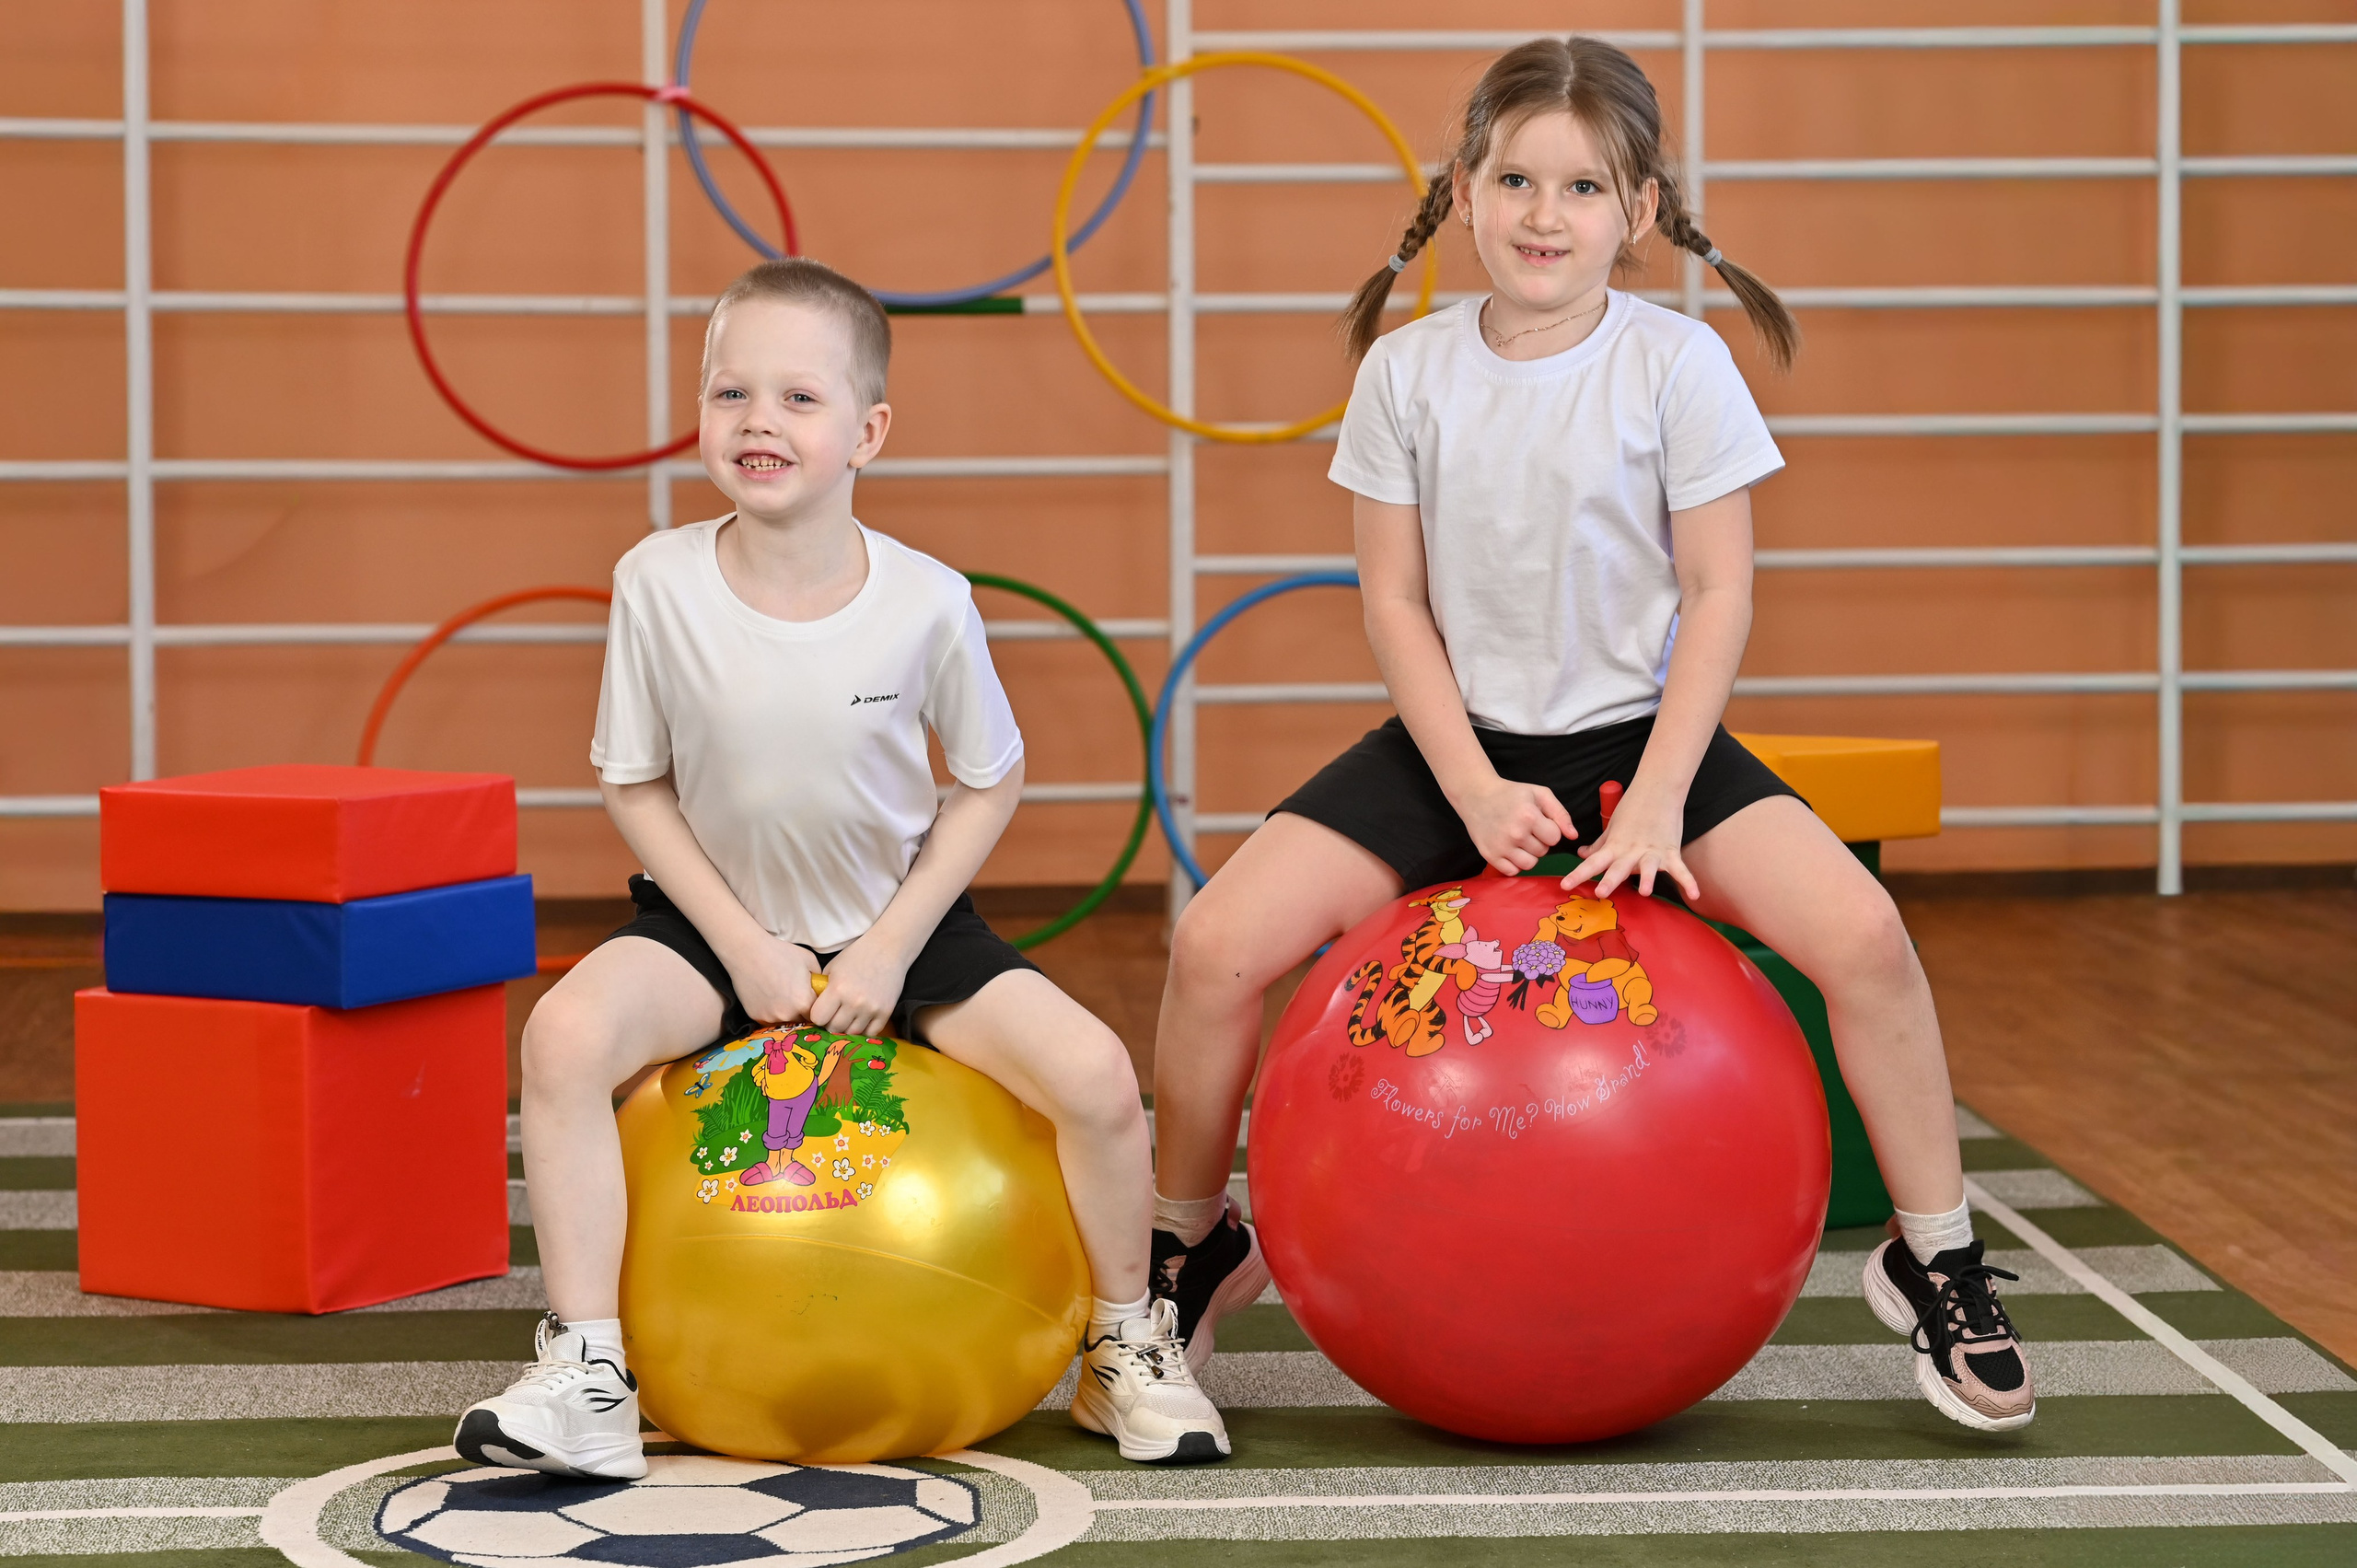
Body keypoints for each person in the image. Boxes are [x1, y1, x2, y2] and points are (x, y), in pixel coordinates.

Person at [1147, 35, 2036, 1434]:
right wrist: (1471, 785)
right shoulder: (1407, 373)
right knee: (1211, 947)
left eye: (1580, 186)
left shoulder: (1677, 365)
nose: (1543, 214)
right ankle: (1190, 1243)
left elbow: (1719, 592)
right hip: (1457, 748)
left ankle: (1938, 1253)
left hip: (1644, 744)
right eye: (1514, 179)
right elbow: (1392, 606)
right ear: (1463, 188)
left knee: (1865, 939)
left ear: (1637, 211)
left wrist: (1657, 805)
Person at [455, 258, 1229, 1477]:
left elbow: (990, 780)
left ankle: (1124, 1344)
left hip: (899, 930)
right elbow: (631, 782)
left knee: (1090, 1075)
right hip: (710, 926)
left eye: (797, 399)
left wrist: (887, 948)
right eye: (730, 394)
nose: (758, 421)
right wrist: (748, 947)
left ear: (868, 431)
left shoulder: (927, 600)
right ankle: (591, 1367)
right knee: (558, 1040)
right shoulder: (653, 582)